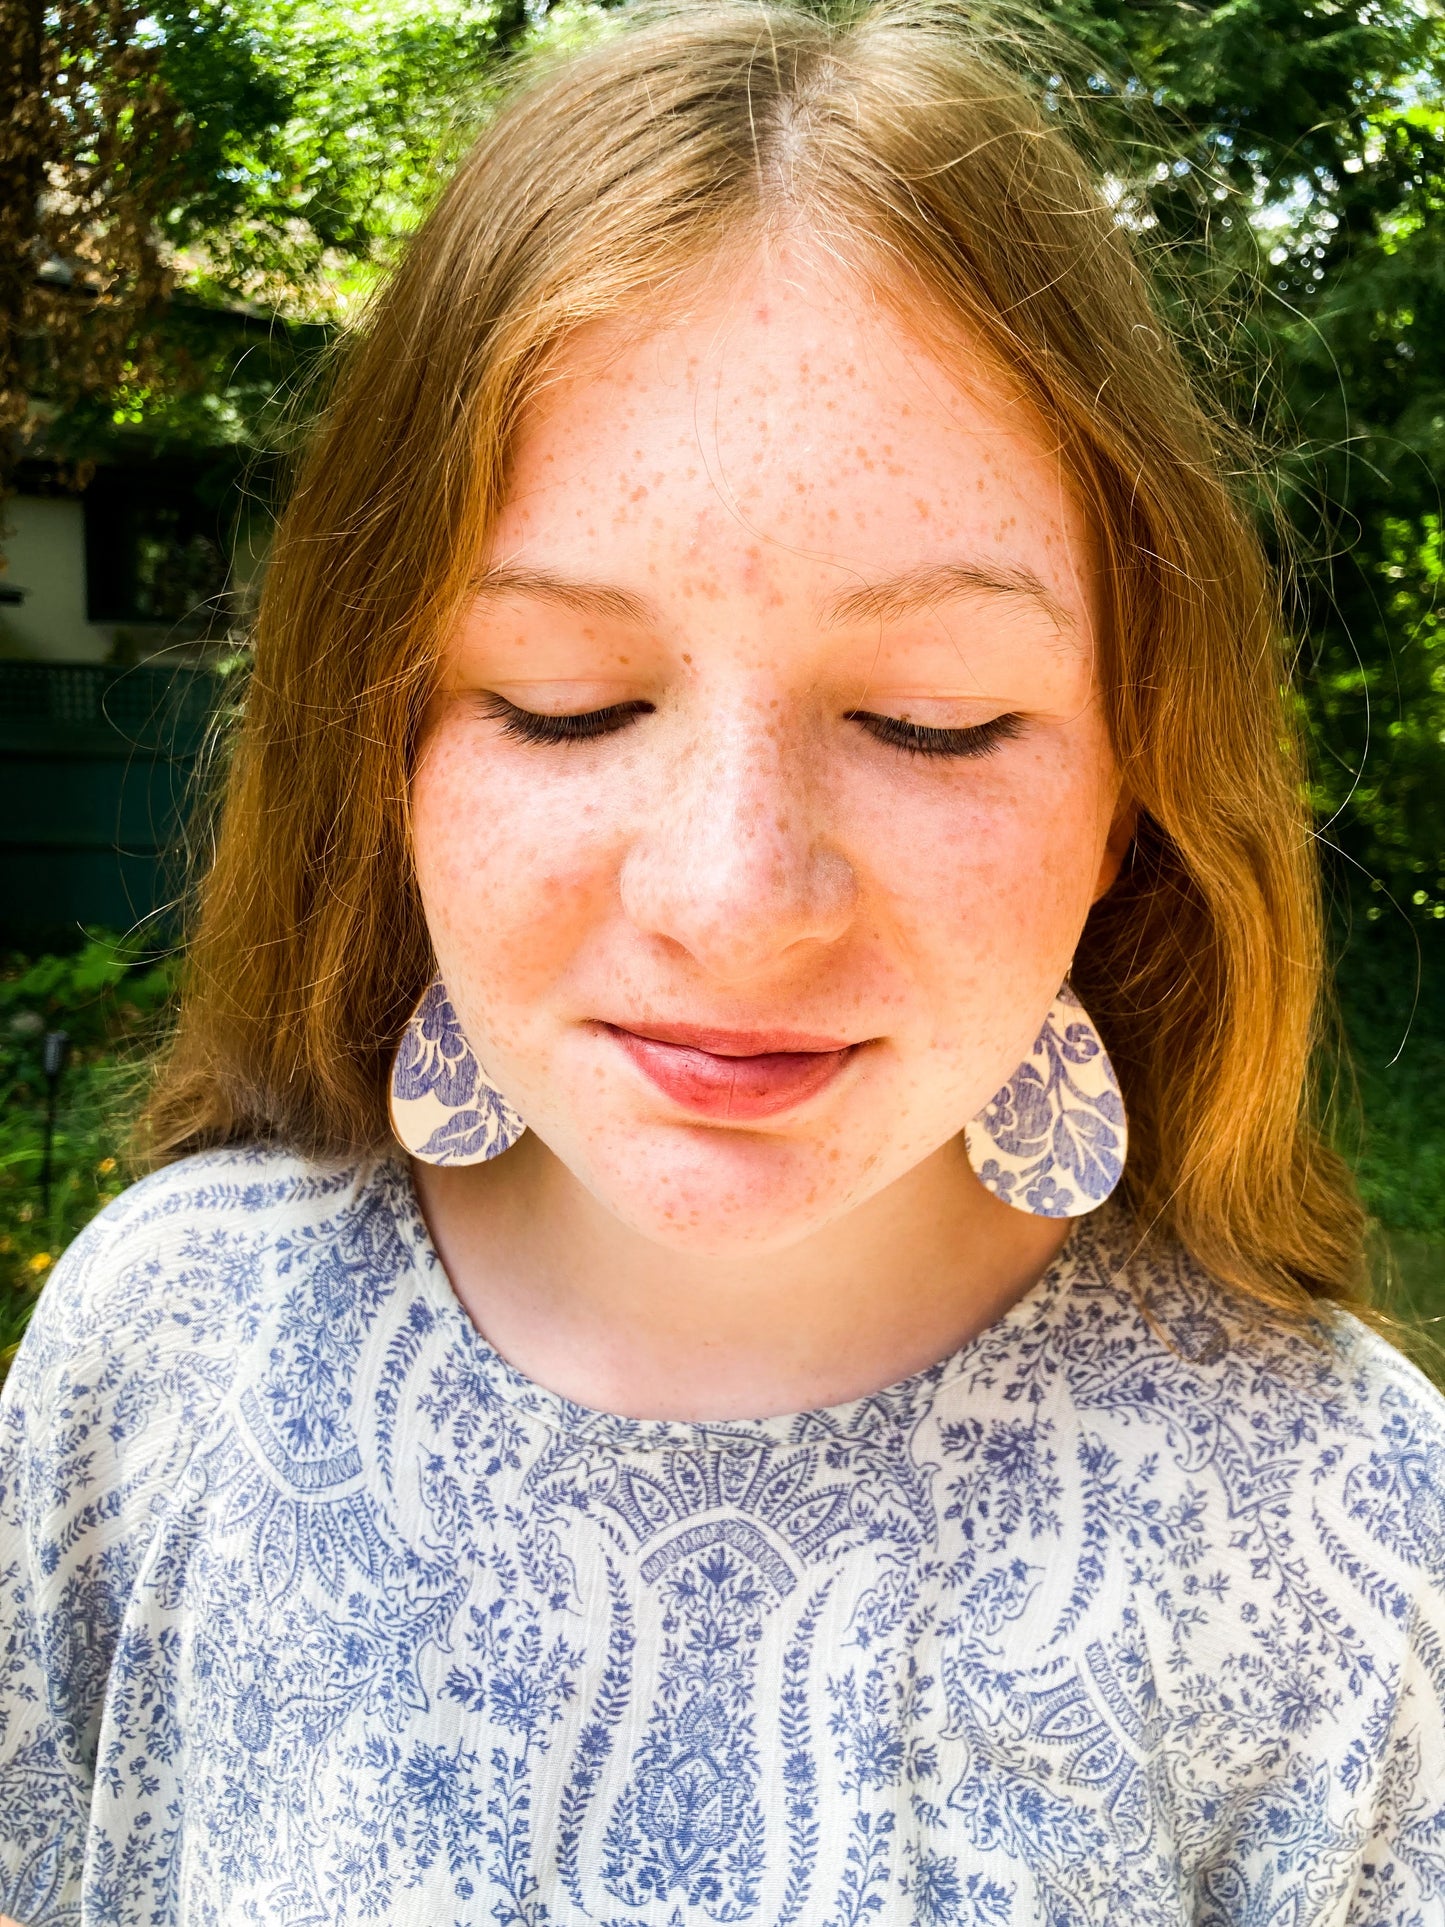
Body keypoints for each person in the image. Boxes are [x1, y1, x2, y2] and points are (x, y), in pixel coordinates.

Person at [3, 3, 1443, 1921]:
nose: (737, 895)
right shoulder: (161, 1354)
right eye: (564, 703)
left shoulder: (1360, 1546)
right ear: (383, 748)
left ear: (1129, 787)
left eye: (932, 720)